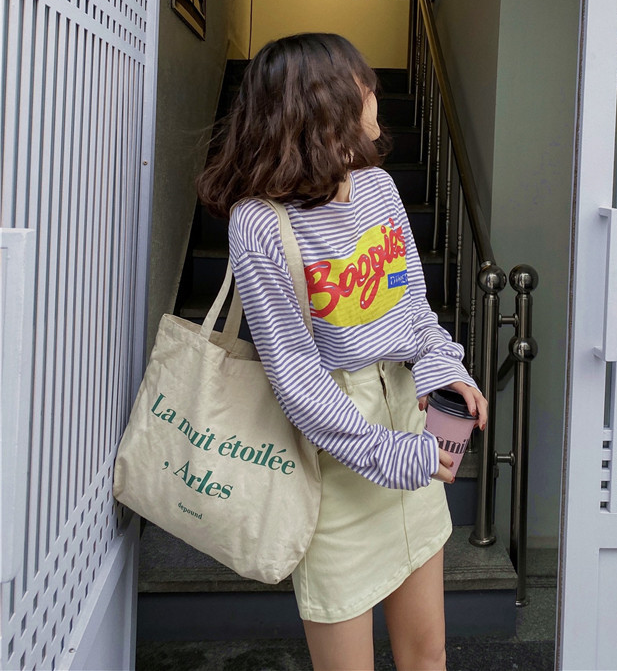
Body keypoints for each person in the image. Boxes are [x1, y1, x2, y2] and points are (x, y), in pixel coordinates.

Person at [196, 33, 488, 671]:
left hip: (406, 419)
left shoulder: (379, 188)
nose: (375, 94)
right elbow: (297, 378)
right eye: (363, 86)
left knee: (428, 657)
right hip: (334, 457)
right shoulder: (259, 222)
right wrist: (393, 454)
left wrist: (445, 372)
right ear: (320, 104)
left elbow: (412, 308)